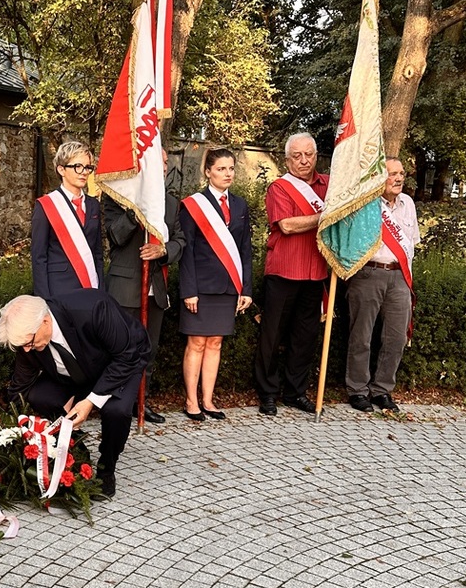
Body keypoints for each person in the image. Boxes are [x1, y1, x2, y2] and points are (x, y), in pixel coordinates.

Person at [0, 290, 150, 499]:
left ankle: (106, 467)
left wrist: (91, 400)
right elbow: (19, 388)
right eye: (22, 346)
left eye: (29, 344)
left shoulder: (93, 309)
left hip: (122, 360)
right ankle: (76, 447)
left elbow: (126, 356)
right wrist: (2, 430)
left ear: (46, 322)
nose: (27, 351)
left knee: (117, 411)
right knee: (39, 395)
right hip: (74, 371)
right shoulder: (29, 339)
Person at [253, 132, 329, 415]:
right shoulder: (279, 188)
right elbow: (286, 225)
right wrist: (325, 216)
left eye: (308, 154)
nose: (304, 160)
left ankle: (295, 392)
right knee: (273, 336)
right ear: (287, 160)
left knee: (305, 337)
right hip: (284, 271)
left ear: (316, 155)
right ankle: (267, 393)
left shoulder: (328, 185)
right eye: (297, 156)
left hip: (315, 271)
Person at [177, 147, 253, 421]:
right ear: (208, 171)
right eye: (221, 169)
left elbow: (245, 250)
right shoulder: (192, 205)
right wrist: (189, 290)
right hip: (200, 288)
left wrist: (246, 288)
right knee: (196, 342)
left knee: (216, 343)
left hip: (228, 286)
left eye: (231, 168)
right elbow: (187, 250)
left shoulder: (241, 205)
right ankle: (191, 401)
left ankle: (208, 400)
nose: (227, 173)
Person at [345, 157, 420, 413]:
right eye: (392, 174)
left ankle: (382, 390)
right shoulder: (367, 205)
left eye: (401, 173)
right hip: (369, 274)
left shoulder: (408, 204)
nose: (399, 178)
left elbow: (411, 244)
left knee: (396, 337)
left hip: (399, 276)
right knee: (362, 335)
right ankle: (357, 390)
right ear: (379, 178)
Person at [103, 190, 184, 424]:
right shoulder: (117, 195)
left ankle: (140, 402)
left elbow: (180, 240)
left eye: (165, 164)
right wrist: (136, 211)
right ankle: (114, 404)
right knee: (119, 351)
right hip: (125, 289)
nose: (162, 168)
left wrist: (164, 250)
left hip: (155, 290)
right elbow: (115, 236)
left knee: (148, 351)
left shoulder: (170, 202)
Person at [31, 140, 104, 298]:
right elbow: (39, 257)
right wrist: (44, 300)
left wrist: (102, 291)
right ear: (61, 169)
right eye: (78, 166)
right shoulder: (46, 205)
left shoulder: (94, 205)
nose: (84, 172)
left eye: (88, 167)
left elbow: (98, 253)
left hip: (90, 288)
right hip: (59, 290)